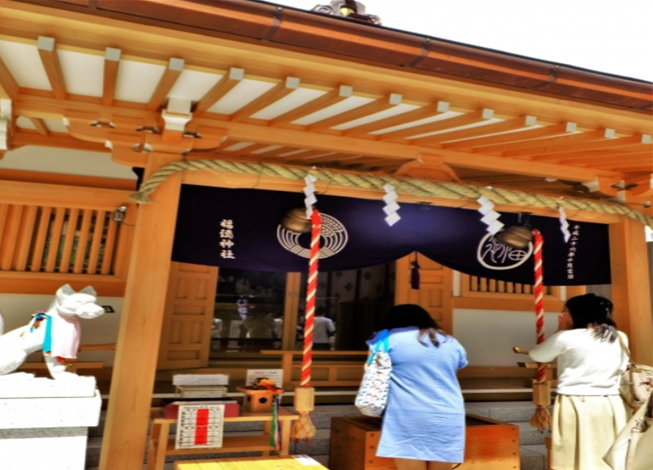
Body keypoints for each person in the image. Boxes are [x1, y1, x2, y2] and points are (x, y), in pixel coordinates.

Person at [529, 293, 628, 470]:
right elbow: (623, 366)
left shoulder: (567, 337)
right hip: (611, 401)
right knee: (609, 452)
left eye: (565, 311)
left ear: (576, 313)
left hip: (575, 401)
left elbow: (537, 355)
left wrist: (560, 328)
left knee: (574, 452)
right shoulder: (619, 337)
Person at [367, 304, 468, 470]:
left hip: (407, 413)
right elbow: (457, 366)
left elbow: (375, 374)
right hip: (448, 411)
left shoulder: (386, 339)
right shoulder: (450, 341)